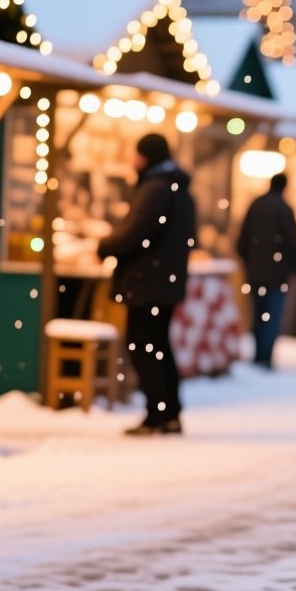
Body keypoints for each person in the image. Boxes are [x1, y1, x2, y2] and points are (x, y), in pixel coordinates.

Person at [98, 133, 196, 436]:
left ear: (146, 156)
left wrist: (105, 245)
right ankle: (170, 414)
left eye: (136, 154)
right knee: (159, 346)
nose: (133, 160)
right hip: (164, 281)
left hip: (147, 282)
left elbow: (136, 233)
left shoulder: (155, 189)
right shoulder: (179, 189)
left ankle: (157, 414)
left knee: (143, 346)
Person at [237, 173, 296, 370]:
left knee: (258, 314)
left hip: (255, 272)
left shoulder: (256, 205)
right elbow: (292, 242)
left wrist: (249, 261)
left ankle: (258, 354)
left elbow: (242, 240)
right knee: (272, 316)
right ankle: (266, 356)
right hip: (277, 273)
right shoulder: (284, 209)